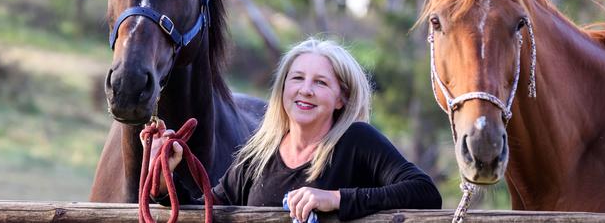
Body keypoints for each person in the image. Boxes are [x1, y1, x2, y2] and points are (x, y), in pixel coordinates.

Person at [143, 37, 442, 221]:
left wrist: (335, 199)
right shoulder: (258, 154)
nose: (305, 90)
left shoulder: (357, 141)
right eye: (297, 78)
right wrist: (164, 178)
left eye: (320, 82)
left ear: (342, 98)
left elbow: (425, 193)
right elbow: (212, 212)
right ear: (283, 87)